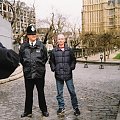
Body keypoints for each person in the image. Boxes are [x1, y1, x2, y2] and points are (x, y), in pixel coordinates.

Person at [19, 24, 49, 118]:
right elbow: (21, 59)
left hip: (39, 74)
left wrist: (39, 67)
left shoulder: (41, 46)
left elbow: (45, 58)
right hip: (28, 73)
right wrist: (27, 67)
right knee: (28, 93)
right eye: (31, 34)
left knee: (41, 92)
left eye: (34, 34)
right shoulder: (23, 47)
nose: (33, 36)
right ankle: (27, 111)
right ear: (28, 35)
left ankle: (44, 110)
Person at [49, 33, 80, 116]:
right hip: (58, 75)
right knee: (59, 93)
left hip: (68, 74)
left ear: (64, 40)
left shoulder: (69, 50)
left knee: (72, 92)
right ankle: (61, 107)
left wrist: (71, 67)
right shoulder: (54, 51)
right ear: (57, 40)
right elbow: (51, 61)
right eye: (59, 39)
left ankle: (76, 107)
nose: (60, 40)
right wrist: (53, 68)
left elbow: (73, 60)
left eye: (62, 39)